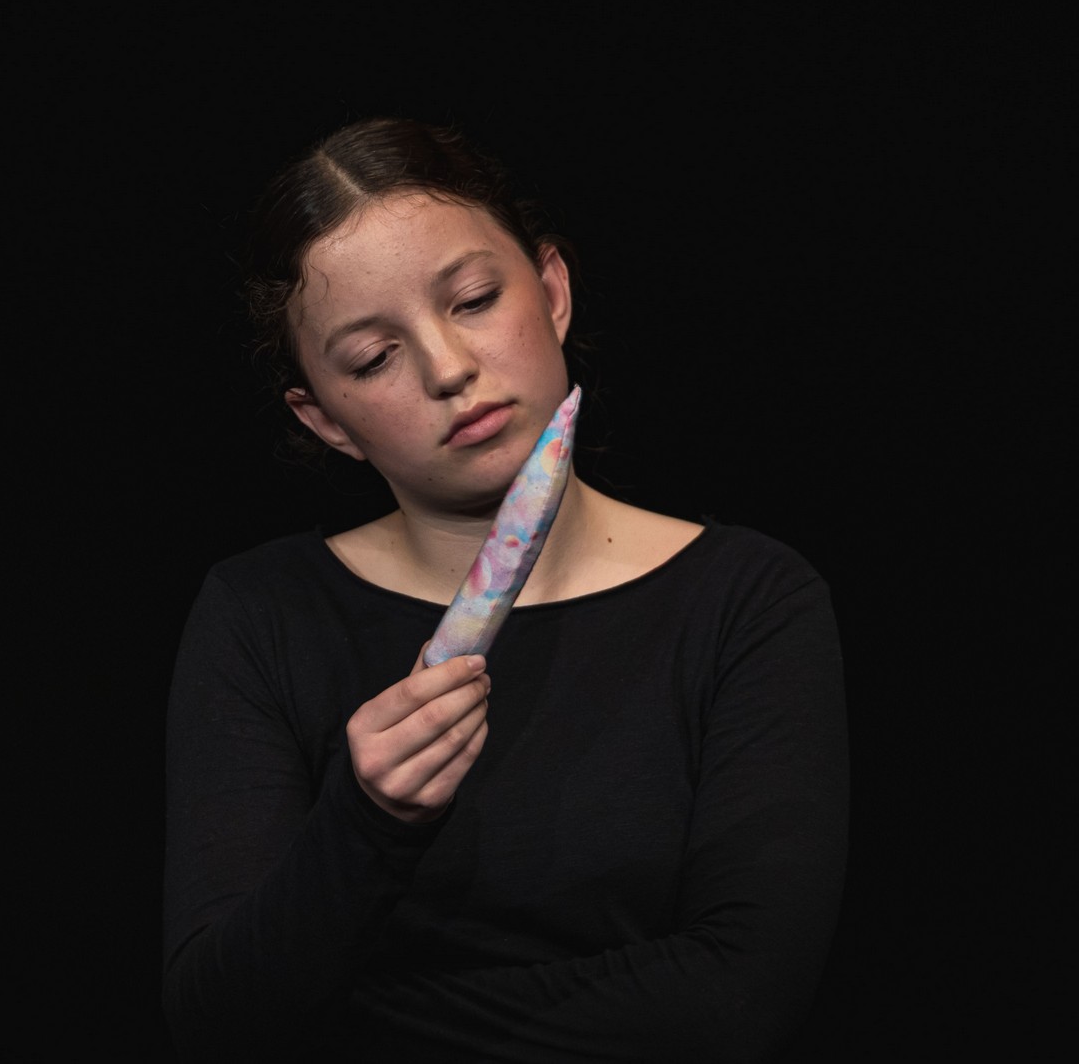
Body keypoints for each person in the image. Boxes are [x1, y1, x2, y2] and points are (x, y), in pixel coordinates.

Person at [162, 119, 848, 1061]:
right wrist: (367, 822)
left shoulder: (748, 600)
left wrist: (341, 1032)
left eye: (475, 299)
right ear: (325, 420)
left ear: (553, 290)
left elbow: (737, 1001)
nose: (450, 369)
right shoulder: (259, 615)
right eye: (374, 357)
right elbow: (219, 1020)